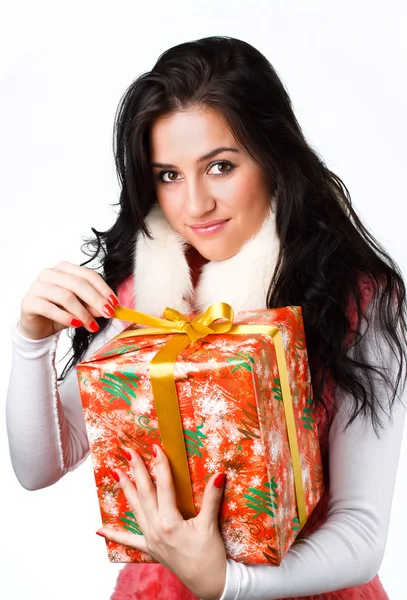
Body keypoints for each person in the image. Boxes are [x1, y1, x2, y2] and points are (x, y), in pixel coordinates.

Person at [6, 35, 407, 600]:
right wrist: (30, 343)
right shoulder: (145, 289)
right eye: (168, 174)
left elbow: (363, 532)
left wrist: (229, 582)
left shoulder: (360, 297)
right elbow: (39, 468)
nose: (194, 206)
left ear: (273, 156)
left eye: (220, 166)